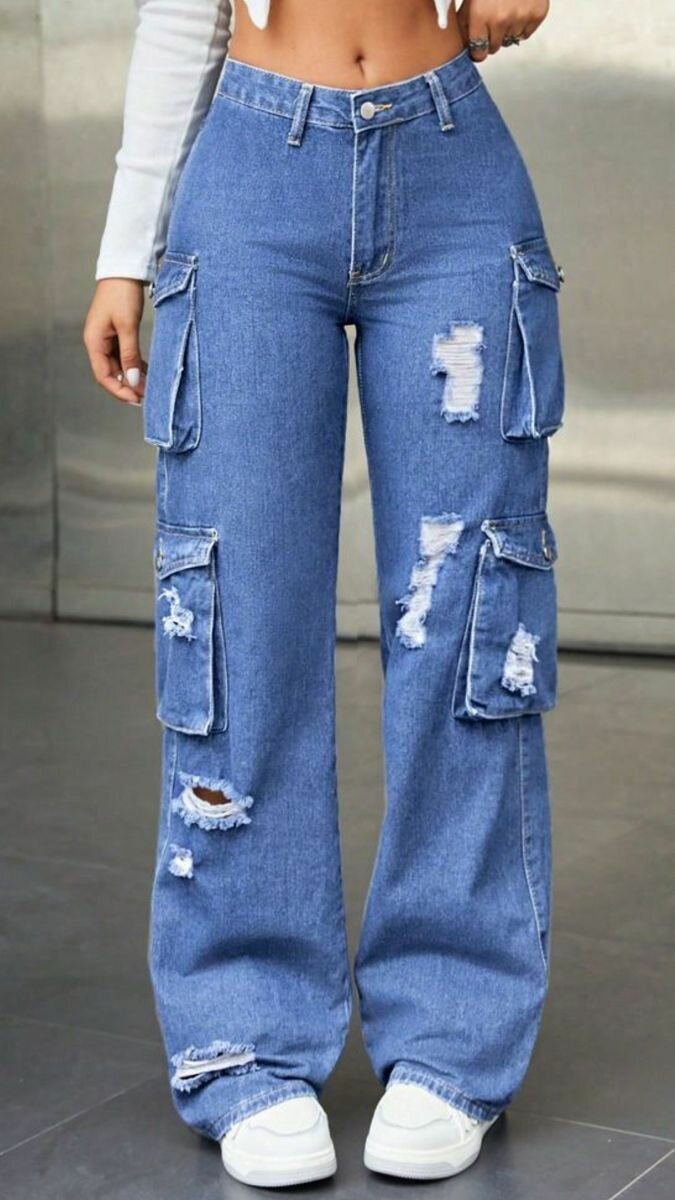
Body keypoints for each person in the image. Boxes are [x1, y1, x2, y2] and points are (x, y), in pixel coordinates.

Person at [84, 0, 564, 1188]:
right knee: (238, 619)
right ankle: (244, 1036)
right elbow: (180, 12)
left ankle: (453, 1032)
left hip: (452, 165)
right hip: (249, 176)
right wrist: (125, 250)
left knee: (466, 616)